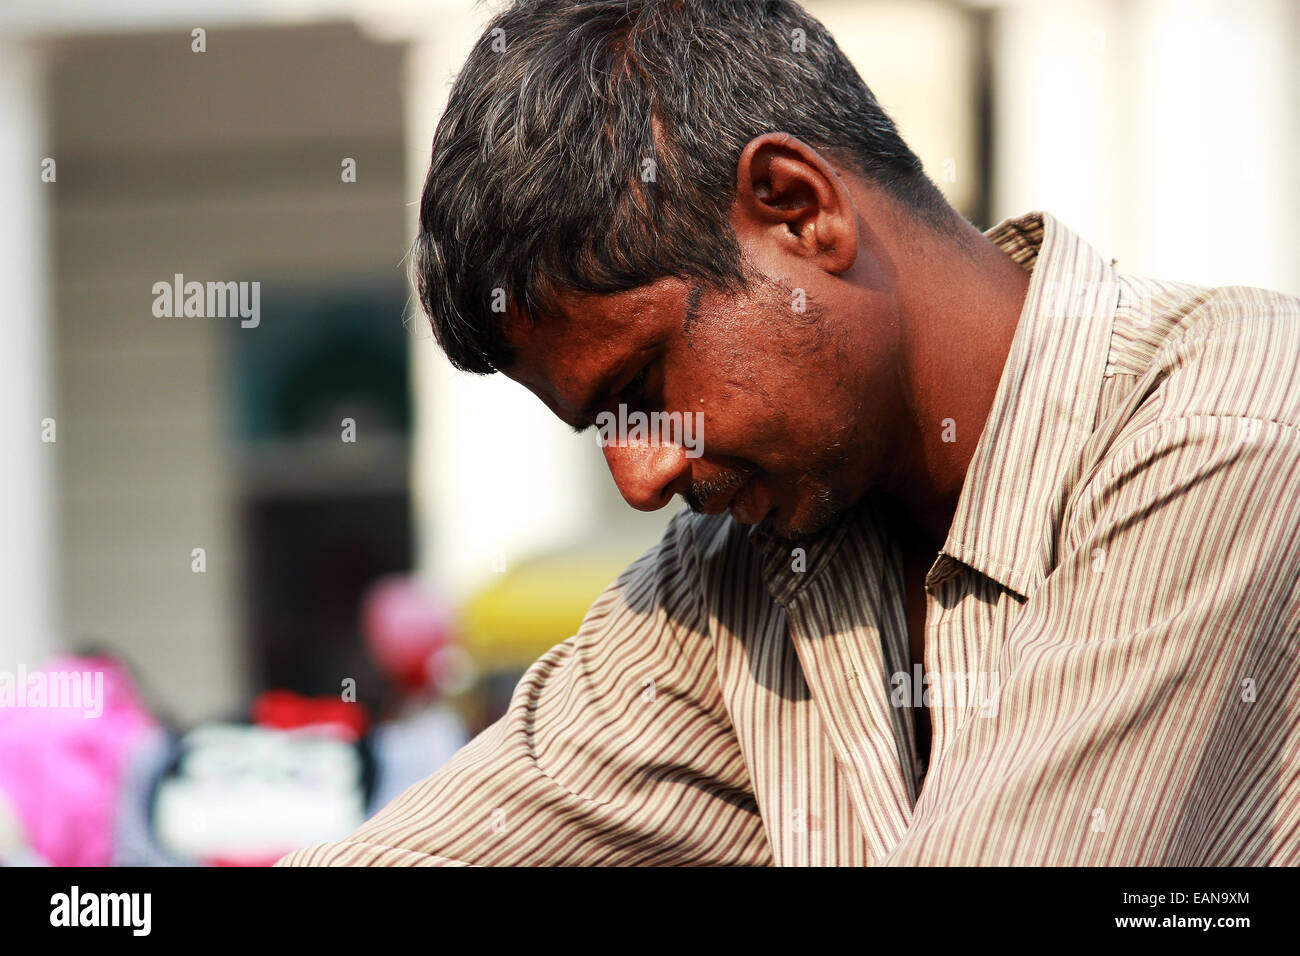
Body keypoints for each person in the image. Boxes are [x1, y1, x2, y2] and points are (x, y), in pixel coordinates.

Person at [277, 0, 1300, 865]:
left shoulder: (1227, 425)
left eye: (642, 385)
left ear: (799, 208)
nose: (639, 475)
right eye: (602, 427)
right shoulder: (731, 578)